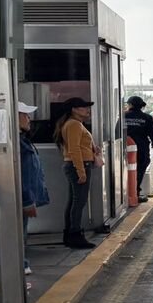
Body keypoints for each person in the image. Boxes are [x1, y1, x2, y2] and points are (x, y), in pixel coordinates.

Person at [0, 100, 49, 294]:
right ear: (13, 118)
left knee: (7, 242)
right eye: (25, 115)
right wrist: (26, 202)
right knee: (9, 244)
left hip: (6, 201)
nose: (29, 119)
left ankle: (8, 285)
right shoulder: (11, 144)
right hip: (12, 202)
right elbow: (14, 176)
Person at [55, 97, 96, 248]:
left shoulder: (75, 124)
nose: (87, 110)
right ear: (74, 109)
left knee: (74, 201)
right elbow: (74, 149)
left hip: (77, 165)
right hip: (78, 165)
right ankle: (75, 235)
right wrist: (81, 171)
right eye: (84, 107)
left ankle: (70, 235)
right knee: (79, 202)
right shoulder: (74, 125)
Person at [123, 96, 153, 203]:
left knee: (124, 170)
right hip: (141, 148)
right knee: (139, 170)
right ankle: (135, 192)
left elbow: (116, 132)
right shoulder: (147, 118)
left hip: (123, 148)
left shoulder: (123, 116)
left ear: (130, 105)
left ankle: (125, 193)